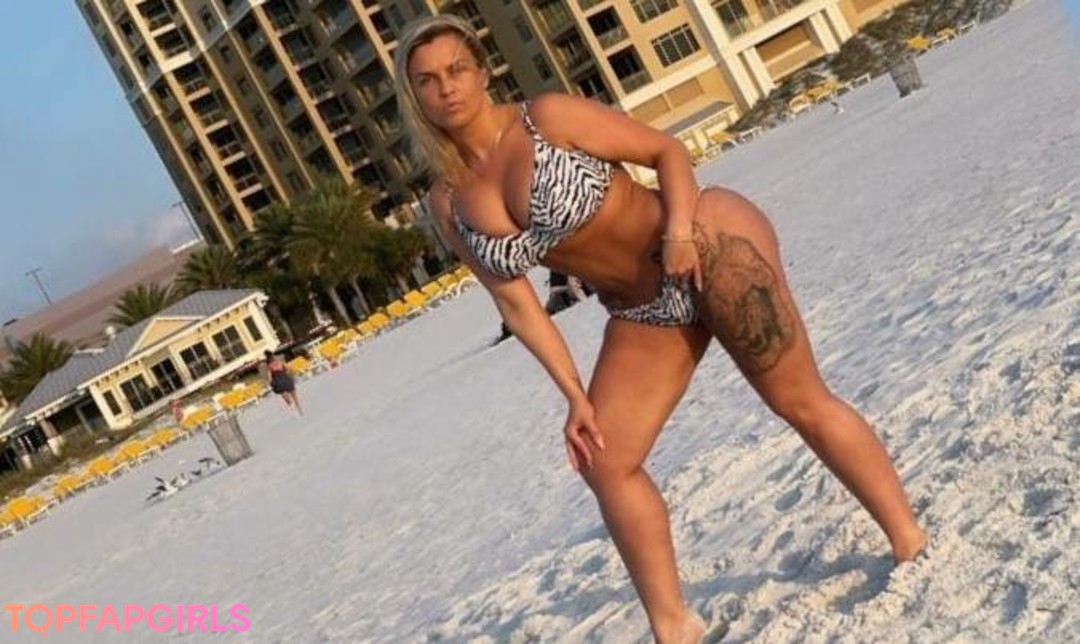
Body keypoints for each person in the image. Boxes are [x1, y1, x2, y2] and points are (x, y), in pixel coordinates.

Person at [394, 15, 926, 643]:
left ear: (483, 72)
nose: (447, 88)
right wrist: (574, 396)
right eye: (427, 80)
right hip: (642, 310)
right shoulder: (449, 203)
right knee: (605, 461)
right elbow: (518, 306)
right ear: (414, 96)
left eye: (457, 69)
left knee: (797, 401)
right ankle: (674, 626)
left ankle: (908, 540)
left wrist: (678, 234)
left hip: (706, 241)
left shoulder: (546, 119)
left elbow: (665, 151)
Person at [264, 350, 302, 416]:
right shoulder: (279, 362)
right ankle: (299, 410)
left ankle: (293, 409)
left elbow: (269, 378)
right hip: (285, 378)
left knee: (285, 396)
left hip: (278, 381)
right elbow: (288, 368)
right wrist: (292, 374)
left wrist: (271, 385)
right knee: (294, 395)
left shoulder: (269, 366)